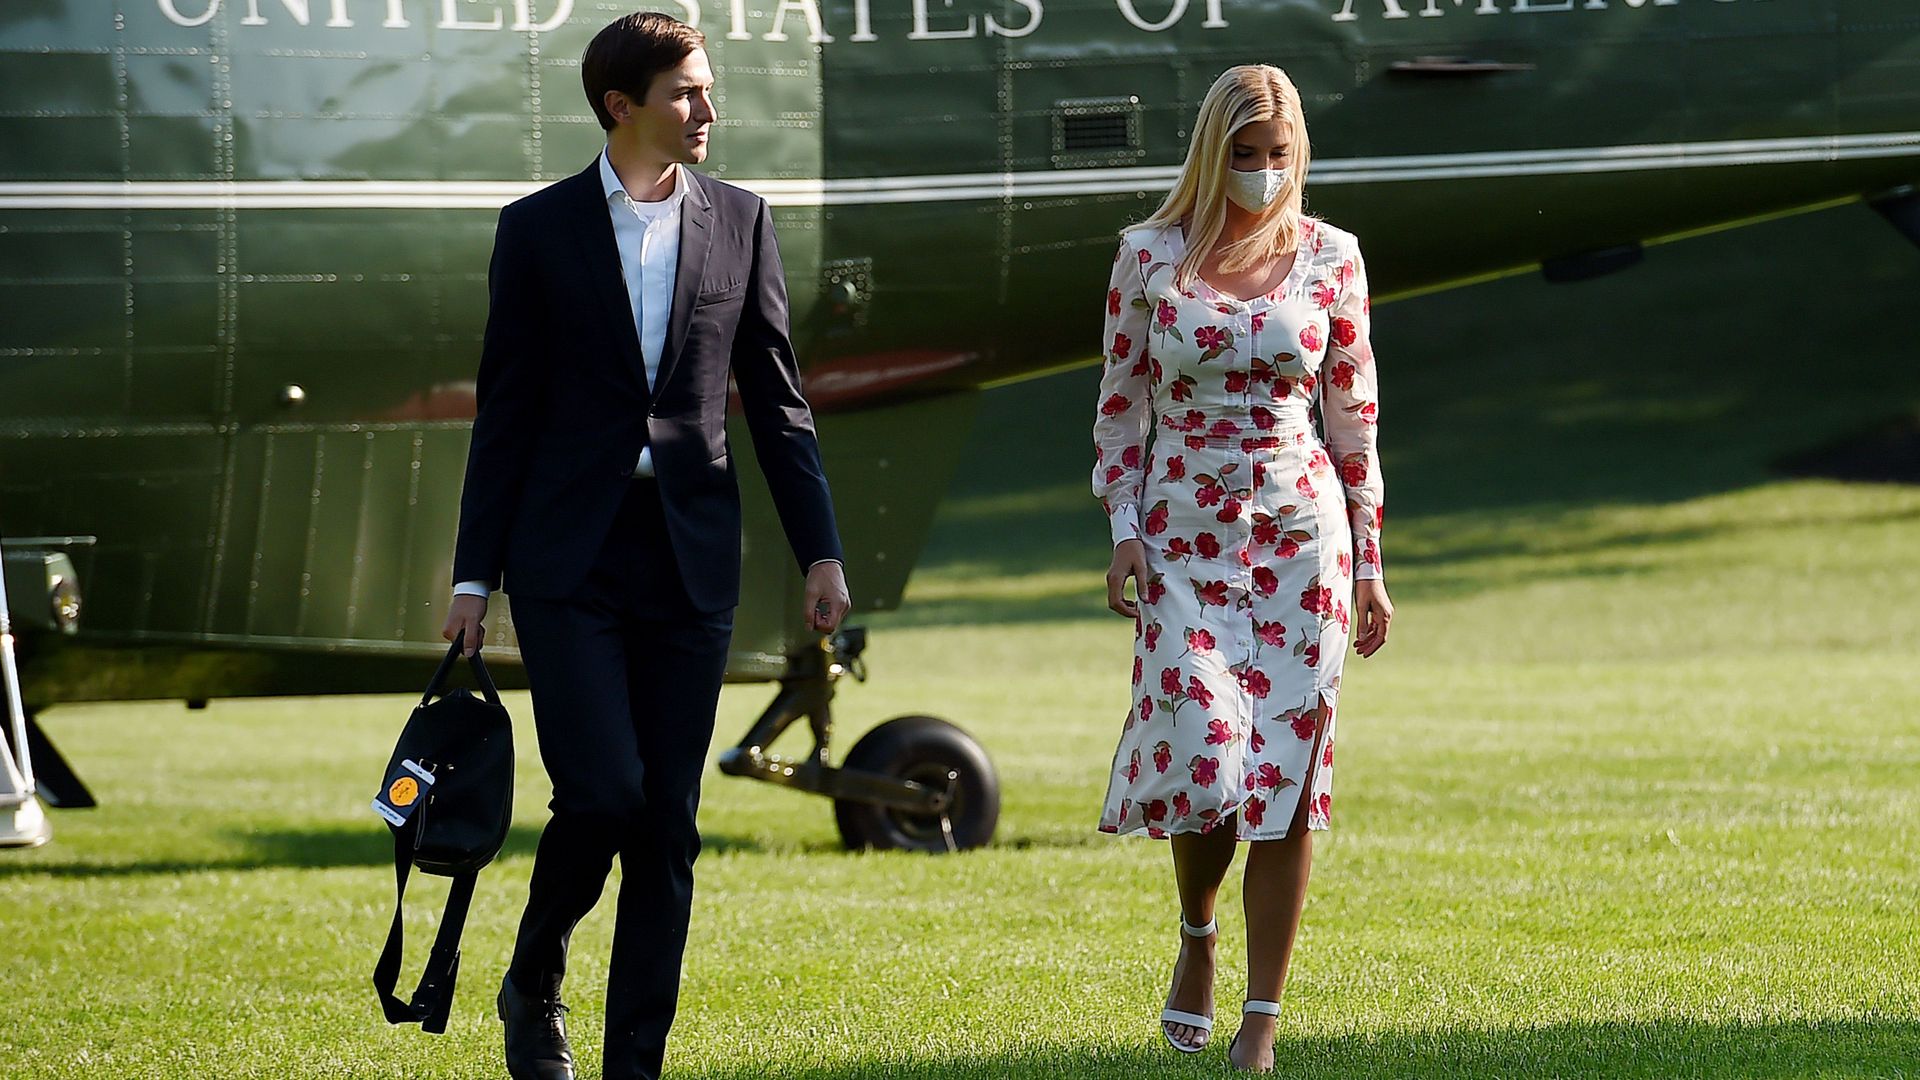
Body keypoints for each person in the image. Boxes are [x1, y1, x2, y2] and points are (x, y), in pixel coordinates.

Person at [441, 13, 850, 1080]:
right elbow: (506, 413)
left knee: (667, 823)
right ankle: (534, 976)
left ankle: (634, 1066)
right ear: (621, 107)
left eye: (708, 91)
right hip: (567, 558)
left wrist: (821, 552)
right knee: (605, 797)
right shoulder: (535, 230)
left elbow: (778, 399)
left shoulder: (743, 221)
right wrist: (473, 577)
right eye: (686, 94)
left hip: (691, 552)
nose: (708, 111)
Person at [1090, 64, 1393, 1072]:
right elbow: (1122, 404)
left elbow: (1353, 419)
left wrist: (1374, 564)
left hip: (1304, 540)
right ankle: (1197, 937)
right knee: (1208, 754)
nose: (1263, 175)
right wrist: (1123, 528)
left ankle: (1263, 1014)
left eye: (1278, 157)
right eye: (1245, 156)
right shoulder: (1148, 258)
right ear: (1211, 155)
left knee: (1288, 777)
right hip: (1183, 537)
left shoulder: (1332, 258)